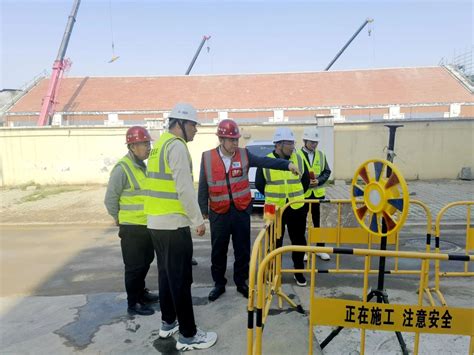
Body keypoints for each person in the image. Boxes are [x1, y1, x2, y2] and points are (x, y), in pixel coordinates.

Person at [198, 119, 301, 302]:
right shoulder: (207, 157)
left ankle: (241, 282)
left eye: (237, 139)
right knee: (218, 250)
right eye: (231, 140)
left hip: (240, 211)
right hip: (219, 212)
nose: (235, 144)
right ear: (221, 139)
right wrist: (202, 210)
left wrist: (287, 165)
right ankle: (219, 284)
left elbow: (265, 162)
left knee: (243, 249)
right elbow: (203, 186)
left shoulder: (244, 155)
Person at [144, 103, 217, 351]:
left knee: (166, 276)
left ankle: (168, 323)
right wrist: (197, 220)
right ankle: (188, 335)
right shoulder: (176, 146)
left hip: (155, 223)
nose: (195, 130)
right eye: (193, 125)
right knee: (181, 280)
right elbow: (184, 189)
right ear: (180, 124)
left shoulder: (158, 146)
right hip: (173, 225)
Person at [104, 126, 159, 316]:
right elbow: (110, 199)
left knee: (146, 261)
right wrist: (118, 218)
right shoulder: (122, 168)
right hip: (131, 228)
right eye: (145, 144)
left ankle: (141, 293)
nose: (148, 147)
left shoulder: (142, 166)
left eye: (148, 143)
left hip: (146, 224)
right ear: (133, 146)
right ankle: (133, 302)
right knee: (134, 267)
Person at [255, 127, 310, 287]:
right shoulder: (266, 161)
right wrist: (275, 195)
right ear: (278, 145)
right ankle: (272, 271)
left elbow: (305, 181)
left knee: (299, 241)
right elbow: (259, 185)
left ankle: (298, 272)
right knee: (273, 242)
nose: (293, 146)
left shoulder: (299, 158)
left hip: (296, 206)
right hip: (272, 208)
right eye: (289, 143)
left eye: (293, 143)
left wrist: (295, 196)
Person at [298, 127, 332, 261]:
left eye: (316, 142)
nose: (314, 144)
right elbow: (294, 175)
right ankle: (304, 250)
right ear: (305, 141)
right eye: (312, 142)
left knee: (319, 223)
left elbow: (326, 172)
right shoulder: (297, 156)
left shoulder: (321, 155)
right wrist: (306, 183)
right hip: (303, 195)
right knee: (301, 223)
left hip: (318, 195)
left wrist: (318, 181)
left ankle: (320, 248)